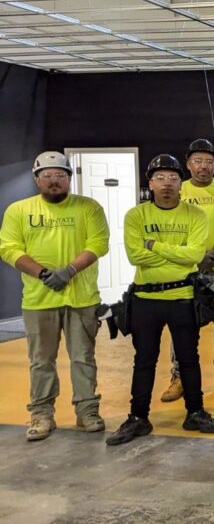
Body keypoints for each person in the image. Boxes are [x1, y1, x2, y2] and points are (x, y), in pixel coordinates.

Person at [106, 154, 214, 446]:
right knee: (143, 360)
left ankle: (195, 411)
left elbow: (195, 255)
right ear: (150, 183)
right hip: (145, 299)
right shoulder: (137, 216)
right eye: (160, 178)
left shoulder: (194, 215)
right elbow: (135, 255)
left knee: (189, 359)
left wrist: (154, 245)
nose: (167, 184)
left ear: (180, 183)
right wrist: (176, 251)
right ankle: (138, 417)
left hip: (184, 296)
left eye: (172, 178)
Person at [0, 151, 108, 441]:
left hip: (81, 298)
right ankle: (41, 414)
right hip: (39, 298)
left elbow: (99, 243)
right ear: (37, 180)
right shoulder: (19, 211)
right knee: (40, 360)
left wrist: (70, 271)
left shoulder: (89, 208)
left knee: (83, 358)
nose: (54, 181)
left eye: (60, 175)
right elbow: (9, 248)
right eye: (47, 176)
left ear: (70, 178)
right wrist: (44, 274)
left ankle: (87, 412)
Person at [164, 138, 214, 401]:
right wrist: (193, 255)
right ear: (188, 164)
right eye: (198, 161)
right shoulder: (178, 189)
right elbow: (170, 226)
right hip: (186, 269)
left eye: (209, 162)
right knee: (184, 324)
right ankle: (179, 377)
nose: (204, 166)